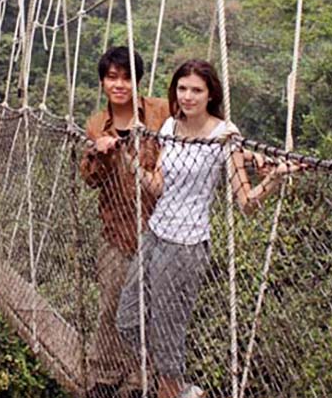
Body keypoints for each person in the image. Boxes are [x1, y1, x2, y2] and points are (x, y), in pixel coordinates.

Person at [116, 59, 297, 398]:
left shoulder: (223, 136)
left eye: (196, 90)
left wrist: (273, 179)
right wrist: (131, 165)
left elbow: (245, 201)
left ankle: (173, 389)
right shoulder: (170, 127)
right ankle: (180, 387)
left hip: (186, 245)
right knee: (127, 321)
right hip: (155, 235)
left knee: (168, 332)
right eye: (182, 88)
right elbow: (158, 186)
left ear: (210, 93)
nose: (187, 96)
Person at [80, 46, 170, 398]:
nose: (120, 85)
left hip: (159, 227)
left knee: (148, 309)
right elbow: (90, 181)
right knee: (111, 304)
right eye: (112, 77)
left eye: (127, 78)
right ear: (103, 81)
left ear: (138, 81)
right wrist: (98, 153)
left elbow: (196, 125)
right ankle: (105, 374)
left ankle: (138, 381)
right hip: (116, 229)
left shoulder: (161, 113)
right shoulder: (95, 124)